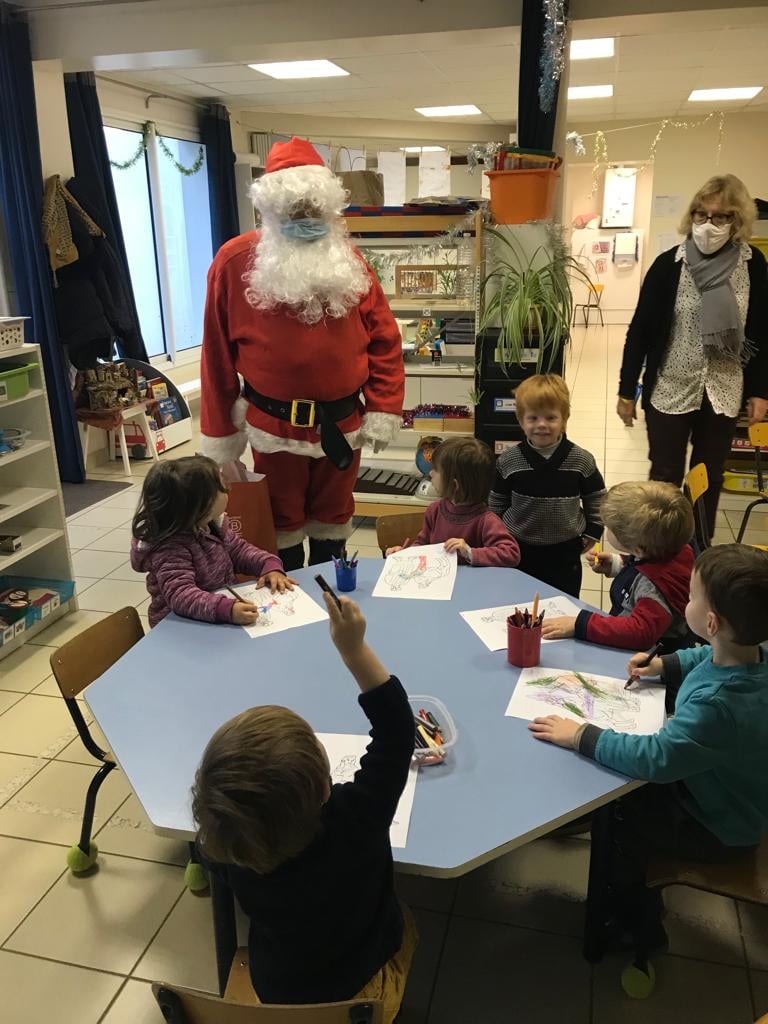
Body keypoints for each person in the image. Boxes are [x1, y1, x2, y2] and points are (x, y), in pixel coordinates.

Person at [530, 544, 768, 948]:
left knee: (622, 819)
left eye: (691, 597)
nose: (685, 601)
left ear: (710, 622)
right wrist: (664, 665)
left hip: (718, 824)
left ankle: (633, 923)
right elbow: (707, 657)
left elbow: (654, 759)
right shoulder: (752, 652)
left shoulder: (718, 707)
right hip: (732, 794)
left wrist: (581, 736)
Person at [191, 596, 417, 1020]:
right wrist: (353, 650)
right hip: (364, 995)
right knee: (410, 922)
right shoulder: (357, 820)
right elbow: (398, 733)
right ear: (324, 789)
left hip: (279, 990)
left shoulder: (233, 844)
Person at [199, 137, 404, 572]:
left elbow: (385, 341)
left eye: (313, 209)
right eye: (293, 211)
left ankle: (333, 604)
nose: (304, 219)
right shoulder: (234, 262)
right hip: (273, 426)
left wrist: (383, 408)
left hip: (343, 425)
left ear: (329, 209)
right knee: (281, 524)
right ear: (270, 211)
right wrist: (220, 434)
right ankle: (290, 604)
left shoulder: (351, 263)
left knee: (334, 521)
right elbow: (216, 353)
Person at [617, 174, 768, 540]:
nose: (708, 225)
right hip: (670, 386)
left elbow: (762, 332)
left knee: (708, 477)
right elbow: (640, 330)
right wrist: (626, 390)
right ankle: (659, 546)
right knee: (665, 474)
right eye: (701, 215)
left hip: (723, 389)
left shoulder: (753, 265)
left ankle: (697, 551)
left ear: (737, 221)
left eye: (720, 217)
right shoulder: (670, 264)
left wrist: (760, 391)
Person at [131, 456, 291, 627]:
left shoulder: (212, 524)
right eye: (222, 489)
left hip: (214, 615)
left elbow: (239, 551)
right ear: (201, 507)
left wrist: (268, 565)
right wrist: (225, 609)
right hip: (180, 626)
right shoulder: (169, 547)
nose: (228, 490)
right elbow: (181, 595)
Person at [488, 374, 606, 597]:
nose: (541, 425)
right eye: (533, 418)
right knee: (518, 603)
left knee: (563, 602)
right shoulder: (508, 460)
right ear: (521, 421)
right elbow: (497, 502)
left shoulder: (581, 460)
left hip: (565, 550)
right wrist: (497, 535)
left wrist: (594, 530)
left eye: (551, 418)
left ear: (564, 419)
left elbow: (597, 498)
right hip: (518, 548)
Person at [541, 481, 694, 651]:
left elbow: (640, 633)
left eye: (609, 528)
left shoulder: (652, 589)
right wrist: (618, 564)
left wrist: (581, 624)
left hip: (648, 656)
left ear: (637, 548)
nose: (606, 529)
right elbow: (647, 565)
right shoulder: (675, 549)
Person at [385, 437, 521, 567]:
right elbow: (422, 545)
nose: (431, 473)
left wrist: (469, 552)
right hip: (438, 586)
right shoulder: (435, 510)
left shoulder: (487, 520)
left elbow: (511, 554)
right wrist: (404, 553)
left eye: (436, 470)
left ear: (454, 485)